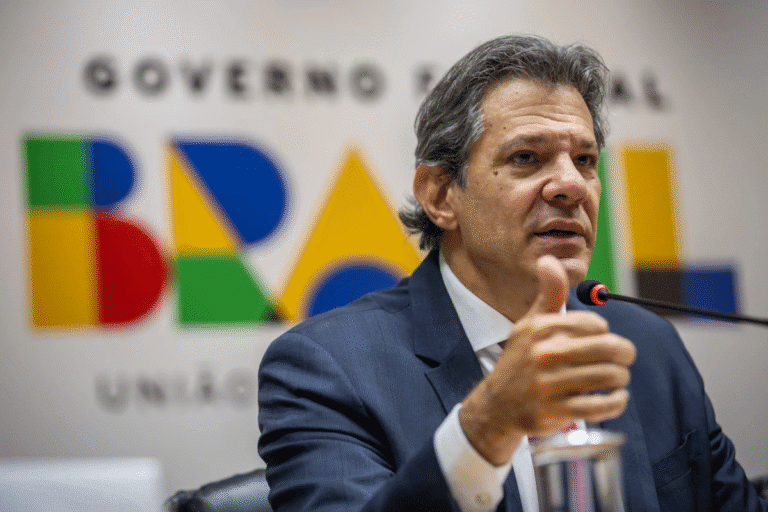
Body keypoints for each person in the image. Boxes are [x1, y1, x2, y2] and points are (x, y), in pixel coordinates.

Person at [257, 34, 766, 511]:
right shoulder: (327, 369)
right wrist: (489, 423)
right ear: (439, 195)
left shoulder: (647, 347)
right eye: (527, 157)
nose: (571, 185)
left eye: (585, 159)